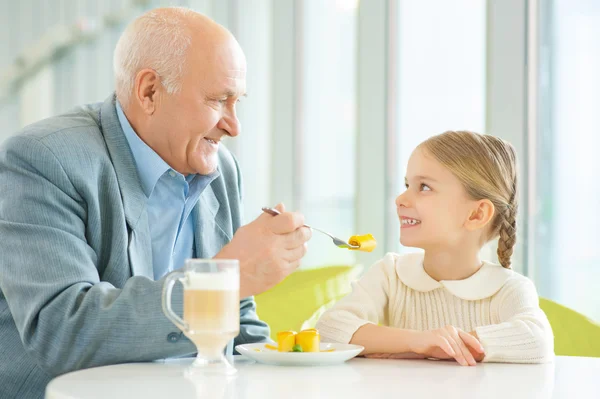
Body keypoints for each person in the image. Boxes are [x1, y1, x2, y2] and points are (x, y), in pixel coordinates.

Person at [0, 7, 311, 398]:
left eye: (238, 102)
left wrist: (316, 358)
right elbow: (64, 330)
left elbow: (240, 324)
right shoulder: (44, 158)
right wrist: (222, 281)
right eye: (219, 100)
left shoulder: (220, 169)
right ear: (149, 91)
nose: (234, 125)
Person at [316, 130, 554, 365]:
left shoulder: (507, 288)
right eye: (407, 184)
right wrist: (417, 341)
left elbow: (537, 339)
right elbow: (330, 328)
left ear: (476, 213)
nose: (400, 199)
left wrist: (441, 347)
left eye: (424, 187)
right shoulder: (391, 274)